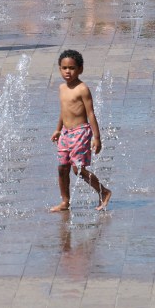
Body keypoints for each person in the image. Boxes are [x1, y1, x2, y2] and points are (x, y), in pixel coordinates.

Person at [50, 49, 113, 212]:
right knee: (62, 167)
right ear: (59, 69)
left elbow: (91, 113)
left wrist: (97, 137)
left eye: (71, 68)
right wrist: (58, 129)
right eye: (64, 68)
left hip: (81, 132)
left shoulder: (82, 89)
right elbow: (63, 111)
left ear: (80, 69)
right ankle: (65, 201)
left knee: (78, 168)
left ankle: (103, 191)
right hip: (65, 132)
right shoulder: (62, 88)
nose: (68, 71)